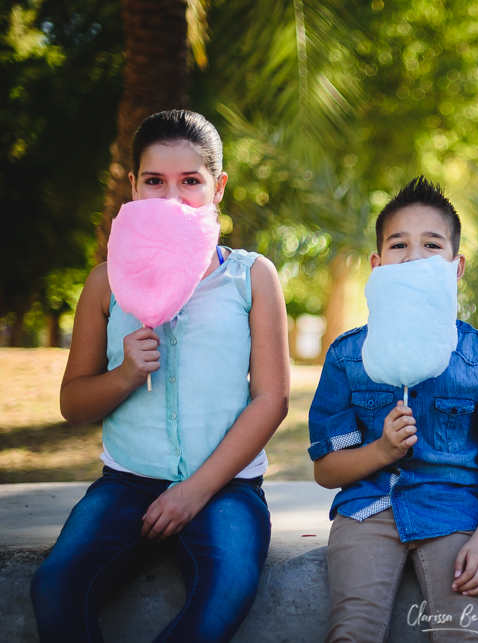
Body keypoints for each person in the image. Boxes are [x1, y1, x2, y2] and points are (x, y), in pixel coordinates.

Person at [30, 110, 290, 642]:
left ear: (217, 188)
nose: (172, 198)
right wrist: (126, 374)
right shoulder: (105, 283)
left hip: (226, 489)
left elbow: (272, 398)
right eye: (155, 181)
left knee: (221, 596)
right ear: (133, 187)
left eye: (190, 182)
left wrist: (194, 492)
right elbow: (73, 404)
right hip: (126, 483)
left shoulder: (251, 277)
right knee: (55, 587)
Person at [308, 176, 478, 643]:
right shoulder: (349, 356)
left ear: (456, 265)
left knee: (464, 635)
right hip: (366, 508)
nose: (414, 256)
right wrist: (382, 450)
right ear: (377, 264)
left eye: (432, 244)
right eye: (398, 244)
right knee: (351, 633)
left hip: (453, 511)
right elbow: (326, 470)